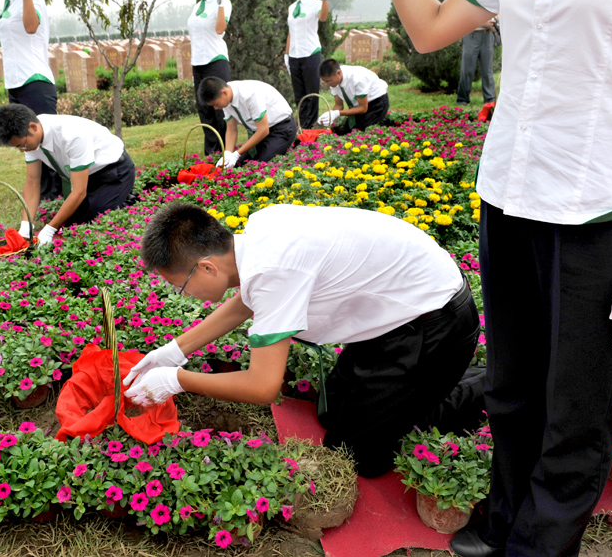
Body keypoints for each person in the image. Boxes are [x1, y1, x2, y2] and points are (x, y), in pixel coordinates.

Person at [379, 0, 612, 555]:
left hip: (605, 205)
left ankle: (540, 545)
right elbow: (429, 28)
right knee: (511, 386)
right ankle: (505, 517)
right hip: (511, 193)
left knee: (577, 410)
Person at [124, 202, 486, 477]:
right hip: (390, 319)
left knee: (358, 453)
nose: (181, 294)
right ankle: (431, 383)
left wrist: (176, 380)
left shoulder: (274, 270)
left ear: (207, 266)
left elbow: (263, 386)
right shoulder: (256, 236)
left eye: (179, 285)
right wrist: (172, 351)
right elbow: (244, 303)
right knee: (333, 412)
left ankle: (490, 384)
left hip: (435, 322)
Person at [0, 104, 136, 245]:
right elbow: (32, 183)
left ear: (33, 127)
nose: (22, 150)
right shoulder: (31, 138)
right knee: (71, 227)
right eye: (18, 147)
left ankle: (127, 200)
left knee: (92, 223)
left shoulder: (72, 135)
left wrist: (49, 229)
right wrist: (26, 226)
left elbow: (79, 191)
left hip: (114, 173)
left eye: (22, 145)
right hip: (87, 177)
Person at [0, 0, 59, 202]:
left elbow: (31, 27)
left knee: (43, 144)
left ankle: (55, 202)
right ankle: (43, 202)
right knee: (27, 146)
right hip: (16, 83)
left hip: (35, 81)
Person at [197, 76, 297, 168]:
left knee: (259, 165)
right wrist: (228, 153)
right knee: (238, 164)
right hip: (260, 133)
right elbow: (231, 129)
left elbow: (263, 130)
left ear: (224, 93)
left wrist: (236, 154)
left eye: (216, 104)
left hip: (282, 129)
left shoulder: (249, 94)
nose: (216, 108)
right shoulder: (226, 98)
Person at [187, 0, 232, 156]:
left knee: (219, 109)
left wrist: (221, 3)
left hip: (216, 60)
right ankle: (211, 153)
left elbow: (220, 29)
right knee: (204, 108)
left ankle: (225, 151)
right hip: (198, 63)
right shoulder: (197, 6)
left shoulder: (223, 2)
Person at [285, 0, 328, 130]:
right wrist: (286, 54)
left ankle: (311, 127)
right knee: (299, 95)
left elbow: (323, 17)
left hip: (310, 53)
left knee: (311, 93)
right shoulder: (292, 7)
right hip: (294, 55)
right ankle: (302, 126)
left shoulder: (316, 3)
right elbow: (291, 31)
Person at [317, 58, 390, 134]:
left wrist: (337, 113)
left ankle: (384, 121)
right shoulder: (333, 80)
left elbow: (363, 108)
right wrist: (329, 116)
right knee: (346, 132)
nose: (328, 84)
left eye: (329, 81)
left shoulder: (358, 78)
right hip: (358, 105)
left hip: (376, 102)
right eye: (325, 82)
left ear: (338, 73)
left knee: (362, 132)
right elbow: (339, 105)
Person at [456, 17, 496, 107]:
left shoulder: (492, 2)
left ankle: (490, 100)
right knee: (467, 70)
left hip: (488, 36)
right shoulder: (471, 2)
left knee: (487, 71)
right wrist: (482, 23)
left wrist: (496, 24)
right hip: (472, 35)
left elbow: (498, 12)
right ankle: (462, 100)